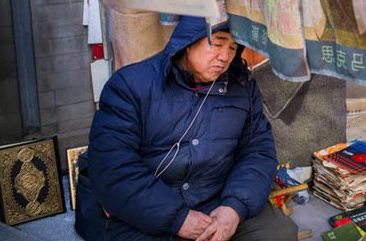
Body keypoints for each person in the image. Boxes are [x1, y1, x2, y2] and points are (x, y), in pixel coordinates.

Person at [82, 16, 297, 240]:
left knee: (278, 233)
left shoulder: (241, 86)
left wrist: (233, 208)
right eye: (217, 43)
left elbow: (257, 151)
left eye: (233, 48)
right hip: (147, 206)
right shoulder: (130, 85)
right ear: (188, 42)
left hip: (216, 198)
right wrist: (177, 218)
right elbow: (113, 165)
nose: (225, 57)